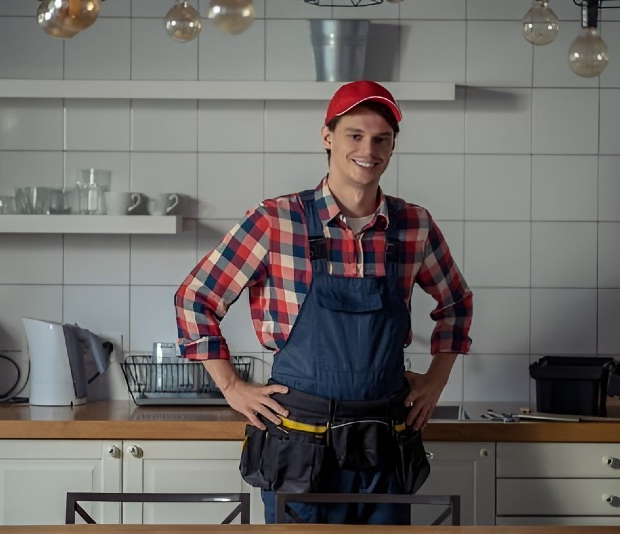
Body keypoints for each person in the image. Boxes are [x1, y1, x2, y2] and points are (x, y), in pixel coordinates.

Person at [175, 80, 473, 525]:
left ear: (392, 146)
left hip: (384, 441)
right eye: (355, 135)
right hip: (299, 446)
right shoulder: (276, 221)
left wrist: (436, 381)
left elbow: (456, 304)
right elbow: (195, 298)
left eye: (381, 139)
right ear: (327, 137)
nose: (368, 149)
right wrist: (232, 386)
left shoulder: (414, 225)